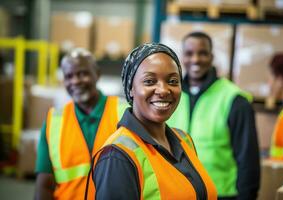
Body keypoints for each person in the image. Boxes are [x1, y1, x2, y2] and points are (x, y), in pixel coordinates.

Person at [86, 43, 217, 200]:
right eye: (149, 81)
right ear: (130, 89)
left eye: (173, 81)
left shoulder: (184, 140)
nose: (163, 90)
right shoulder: (117, 157)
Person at [167, 32, 260, 200]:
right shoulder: (171, 95)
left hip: (222, 195)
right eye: (189, 54)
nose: (195, 59)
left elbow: (248, 160)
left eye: (202, 53)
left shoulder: (234, 99)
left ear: (211, 56)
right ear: (182, 57)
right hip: (179, 193)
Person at [35, 48, 122, 200]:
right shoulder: (53, 121)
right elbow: (44, 184)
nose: (75, 81)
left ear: (97, 74)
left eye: (82, 74)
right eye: (69, 76)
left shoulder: (124, 113)